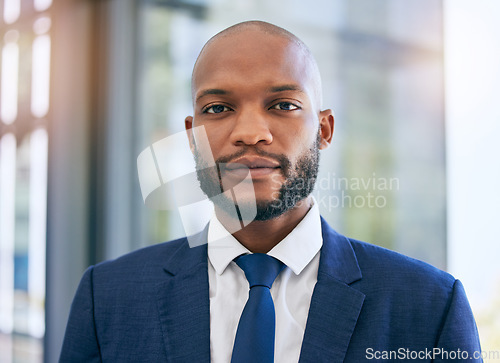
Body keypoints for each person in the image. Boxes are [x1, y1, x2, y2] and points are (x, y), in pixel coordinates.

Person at [60, 21, 482, 362]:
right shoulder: (108, 297)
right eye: (218, 108)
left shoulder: (429, 307)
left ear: (324, 129)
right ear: (193, 138)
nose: (249, 133)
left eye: (282, 105)